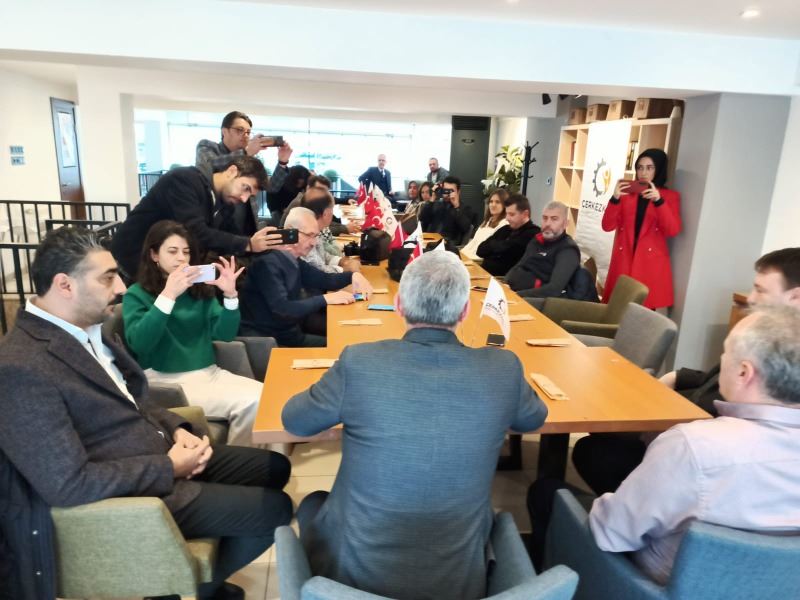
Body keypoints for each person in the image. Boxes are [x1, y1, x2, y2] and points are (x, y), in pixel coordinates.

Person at [0, 227, 292, 600]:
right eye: (108, 278)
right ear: (64, 285)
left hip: (161, 449)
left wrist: (178, 428)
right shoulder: (21, 367)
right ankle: (195, 586)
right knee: (276, 510)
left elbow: (135, 399)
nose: (121, 288)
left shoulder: (88, 329)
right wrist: (169, 467)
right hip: (137, 487)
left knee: (276, 468)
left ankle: (192, 581)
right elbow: (67, 484)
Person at [283, 250, 548, 600]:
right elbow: (534, 417)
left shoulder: (360, 361)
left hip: (348, 583)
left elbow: (295, 420)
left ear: (399, 305)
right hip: (462, 585)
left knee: (315, 503)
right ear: (465, 311)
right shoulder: (503, 368)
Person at [530, 306, 800, 583]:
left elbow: (609, 533)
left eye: (726, 352)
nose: (721, 360)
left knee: (546, 492)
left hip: (653, 585)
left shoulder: (694, 446)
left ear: (744, 373)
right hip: (770, 586)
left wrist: (614, 501)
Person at [571, 246, 800, 496]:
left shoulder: (781, 358)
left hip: (697, 453)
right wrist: (677, 376)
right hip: (681, 427)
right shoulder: (762, 335)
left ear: (796, 296)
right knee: (602, 429)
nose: (751, 298)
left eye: (761, 290)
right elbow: (714, 376)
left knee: (594, 450)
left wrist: (667, 436)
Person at [122, 221, 262, 447]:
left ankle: (271, 462)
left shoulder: (198, 290)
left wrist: (230, 295)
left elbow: (225, 334)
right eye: (172, 251)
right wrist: (168, 295)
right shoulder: (136, 294)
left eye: (186, 252)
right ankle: (240, 461)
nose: (181, 258)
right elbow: (140, 343)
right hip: (166, 381)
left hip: (209, 373)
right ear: (154, 255)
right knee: (252, 403)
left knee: (268, 397)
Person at [111, 155, 282, 280]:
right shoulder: (184, 180)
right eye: (245, 188)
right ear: (231, 171)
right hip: (136, 257)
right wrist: (248, 244)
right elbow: (194, 231)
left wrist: (262, 244)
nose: (244, 199)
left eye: (250, 195)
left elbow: (230, 235)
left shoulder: (224, 202)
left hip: (170, 261)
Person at [239, 207, 373, 347]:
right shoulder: (267, 264)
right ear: (291, 233)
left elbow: (325, 280)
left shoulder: (293, 259)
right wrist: (326, 299)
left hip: (291, 334)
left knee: (349, 341)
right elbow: (283, 309)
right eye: (309, 235)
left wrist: (353, 276)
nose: (313, 243)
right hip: (270, 343)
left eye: (316, 236)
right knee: (345, 347)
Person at [602, 148, 681, 309]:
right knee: (616, 311)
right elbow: (607, 226)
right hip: (624, 260)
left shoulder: (669, 197)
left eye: (649, 168)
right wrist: (615, 198)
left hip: (649, 265)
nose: (643, 172)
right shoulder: (626, 193)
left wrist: (659, 202)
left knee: (642, 314)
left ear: (659, 169)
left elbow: (672, 230)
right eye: (640, 167)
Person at [194, 110, 293, 216]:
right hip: (217, 217)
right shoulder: (207, 146)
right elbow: (209, 166)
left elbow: (271, 187)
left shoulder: (251, 160)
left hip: (247, 221)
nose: (245, 135)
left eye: (248, 132)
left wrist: (282, 162)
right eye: (239, 130)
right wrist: (246, 152)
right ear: (224, 131)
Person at [505, 201, 580, 298]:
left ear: (565, 223)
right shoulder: (536, 240)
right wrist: (505, 283)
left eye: (554, 219)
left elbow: (553, 290)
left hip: (541, 301)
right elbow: (519, 266)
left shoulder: (568, 249)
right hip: (518, 292)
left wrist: (516, 296)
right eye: (545, 218)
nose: (547, 223)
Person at [474, 192, 540, 275]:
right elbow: (480, 250)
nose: (507, 218)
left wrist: (492, 245)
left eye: (512, 214)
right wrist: (499, 247)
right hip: (484, 274)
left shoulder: (533, 233)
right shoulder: (505, 229)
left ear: (525, 214)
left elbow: (508, 252)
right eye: (507, 214)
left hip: (502, 279)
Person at [300, 187, 360, 273]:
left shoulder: (315, 229)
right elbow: (319, 271)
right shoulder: (305, 235)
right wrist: (345, 269)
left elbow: (323, 255)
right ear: (325, 213)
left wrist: (342, 261)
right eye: (332, 209)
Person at [419, 175, 475, 245]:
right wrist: (432, 199)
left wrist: (457, 206)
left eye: (451, 191)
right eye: (446, 190)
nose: (448, 194)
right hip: (429, 242)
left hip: (448, 245)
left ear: (458, 192)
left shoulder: (465, 208)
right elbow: (423, 219)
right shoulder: (436, 204)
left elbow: (466, 228)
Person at [460, 189, 509, 261]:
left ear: (505, 205)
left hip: (478, 261)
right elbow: (474, 242)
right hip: (468, 257)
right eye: (491, 202)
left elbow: (490, 252)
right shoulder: (487, 221)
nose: (493, 205)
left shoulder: (504, 225)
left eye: (497, 202)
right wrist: (460, 254)